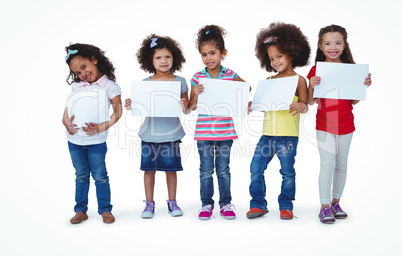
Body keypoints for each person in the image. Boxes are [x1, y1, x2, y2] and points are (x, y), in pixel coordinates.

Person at [307, 25, 372, 224]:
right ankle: (324, 205)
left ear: (344, 45)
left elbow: (353, 102)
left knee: (341, 165)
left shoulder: (350, 69)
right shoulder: (316, 69)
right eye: (327, 43)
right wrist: (312, 86)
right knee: (327, 165)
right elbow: (310, 102)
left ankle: (336, 202)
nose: (332, 47)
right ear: (320, 46)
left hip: (346, 125)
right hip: (325, 125)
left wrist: (363, 86)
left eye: (337, 43)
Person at [247, 22, 310, 220]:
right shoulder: (268, 82)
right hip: (266, 136)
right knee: (255, 169)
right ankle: (258, 204)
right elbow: (261, 104)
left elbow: (306, 104)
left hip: (288, 136)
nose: (274, 61)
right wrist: (252, 104)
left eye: (279, 56)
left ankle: (286, 205)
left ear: (291, 54)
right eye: (271, 58)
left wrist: (301, 106)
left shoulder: (299, 80)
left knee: (287, 172)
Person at [125, 34, 189, 219]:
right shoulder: (145, 84)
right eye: (158, 57)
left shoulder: (181, 81)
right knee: (148, 170)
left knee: (171, 169)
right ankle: (149, 204)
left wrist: (185, 106)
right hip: (149, 134)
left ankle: (172, 202)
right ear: (150, 61)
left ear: (174, 58)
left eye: (167, 56)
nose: (163, 61)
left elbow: (186, 111)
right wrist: (131, 105)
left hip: (172, 133)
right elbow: (139, 108)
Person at [189, 24, 248, 220]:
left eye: (212, 53)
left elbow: (245, 88)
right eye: (204, 54)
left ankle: (225, 203)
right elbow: (191, 106)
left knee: (223, 169)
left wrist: (232, 87)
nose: (208, 58)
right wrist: (195, 94)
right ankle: (206, 204)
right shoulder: (197, 77)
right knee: (205, 170)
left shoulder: (230, 74)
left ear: (223, 53)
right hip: (204, 133)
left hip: (225, 132)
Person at [63, 43, 122, 224]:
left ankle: (105, 209)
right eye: (78, 72)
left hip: (96, 141)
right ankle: (81, 210)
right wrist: (64, 121)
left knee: (100, 176)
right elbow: (67, 108)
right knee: (81, 175)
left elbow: (118, 112)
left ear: (94, 60)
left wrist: (101, 127)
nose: (82, 74)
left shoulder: (109, 86)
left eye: (84, 67)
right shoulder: (77, 87)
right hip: (74, 141)